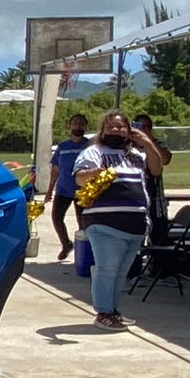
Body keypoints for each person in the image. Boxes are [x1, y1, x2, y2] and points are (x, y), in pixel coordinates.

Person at [72, 110, 166, 328]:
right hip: (104, 223)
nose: (117, 130)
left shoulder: (136, 155)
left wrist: (148, 143)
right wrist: (96, 173)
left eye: (121, 127)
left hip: (135, 224)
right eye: (111, 127)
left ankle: (113, 310)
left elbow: (157, 168)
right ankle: (103, 312)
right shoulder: (94, 151)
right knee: (107, 269)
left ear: (129, 130)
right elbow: (79, 178)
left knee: (121, 272)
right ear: (102, 130)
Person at [47, 112, 90, 258]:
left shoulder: (89, 145)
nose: (78, 125)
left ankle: (83, 250)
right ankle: (66, 244)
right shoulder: (63, 146)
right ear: (69, 126)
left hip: (83, 191)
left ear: (85, 126)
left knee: (83, 222)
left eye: (81, 123)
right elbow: (56, 168)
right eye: (75, 123)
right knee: (57, 218)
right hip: (63, 189)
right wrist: (49, 189)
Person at [131, 111, 171, 240]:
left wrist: (149, 141)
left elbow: (165, 159)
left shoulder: (157, 144)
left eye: (148, 126)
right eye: (141, 126)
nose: (144, 129)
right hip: (135, 197)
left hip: (155, 198)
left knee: (159, 234)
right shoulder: (126, 146)